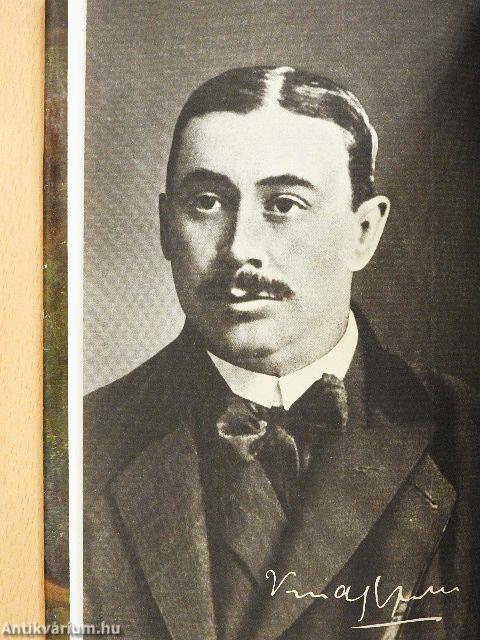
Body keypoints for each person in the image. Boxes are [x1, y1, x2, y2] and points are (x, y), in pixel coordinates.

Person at [84, 66, 479, 640]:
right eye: (207, 202)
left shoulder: (466, 435)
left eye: (284, 205)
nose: (240, 247)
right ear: (166, 228)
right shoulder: (80, 448)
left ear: (363, 232)